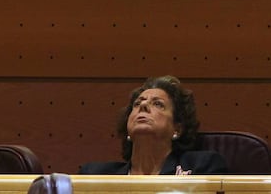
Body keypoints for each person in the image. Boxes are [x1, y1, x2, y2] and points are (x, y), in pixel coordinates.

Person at [79, 75, 228, 175]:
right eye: (137, 104)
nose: (143, 105)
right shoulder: (94, 174)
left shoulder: (202, 167)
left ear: (177, 128)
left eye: (158, 104)